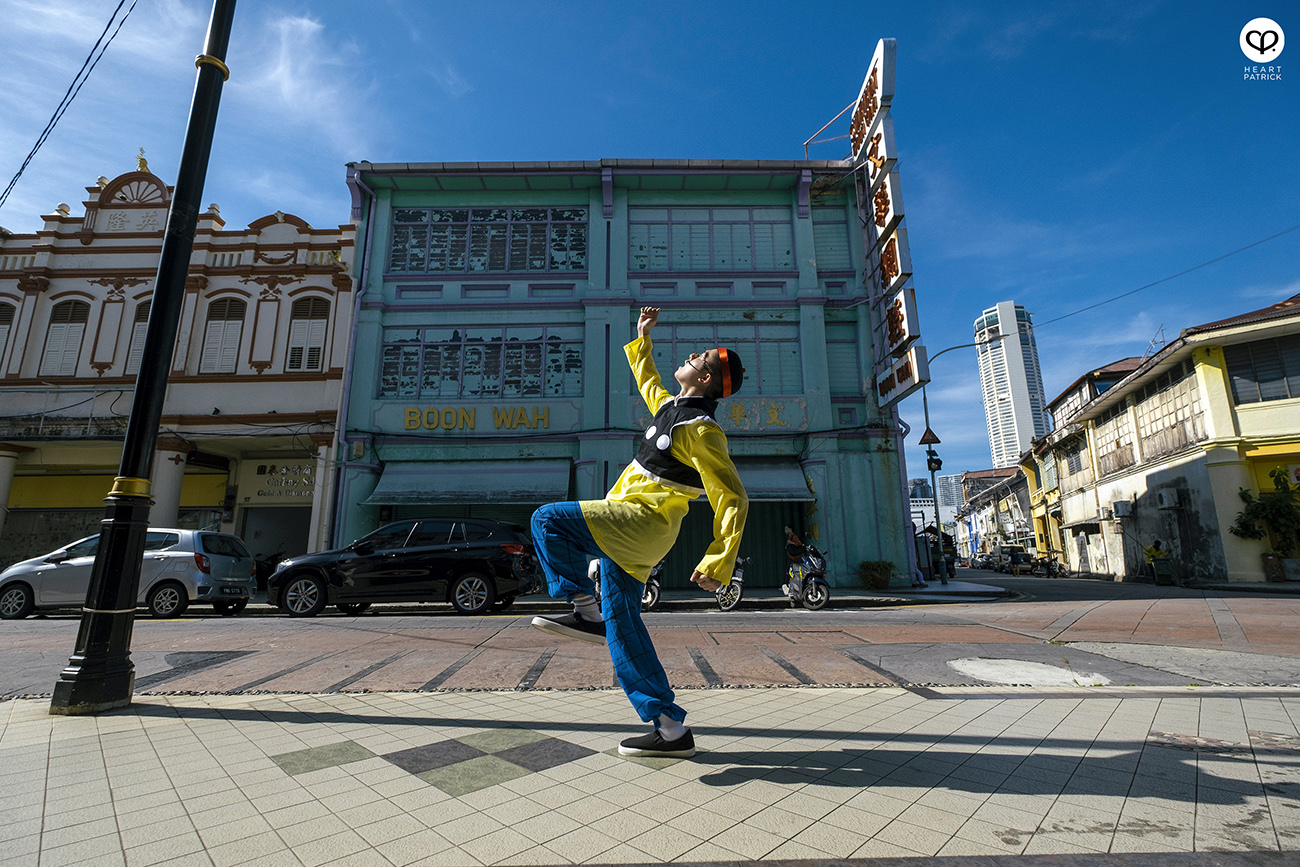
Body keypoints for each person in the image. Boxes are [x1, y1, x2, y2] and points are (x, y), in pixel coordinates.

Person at [530, 306, 748, 759]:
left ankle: (583, 608)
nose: (691, 355)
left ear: (706, 380)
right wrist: (642, 338)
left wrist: (717, 561)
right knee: (624, 630)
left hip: (640, 521)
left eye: (700, 358)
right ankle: (669, 729)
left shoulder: (702, 430)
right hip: (629, 525)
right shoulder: (671, 408)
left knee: (547, 520)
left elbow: (732, 496)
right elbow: (649, 383)